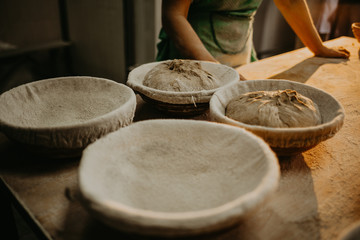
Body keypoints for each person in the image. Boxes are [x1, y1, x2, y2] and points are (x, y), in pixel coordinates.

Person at [156, 0, 350, 79]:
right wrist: (219, 72)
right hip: (192, 59)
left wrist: (318, 48)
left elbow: (290, 2)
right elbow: (174, 15)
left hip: (242, 55)